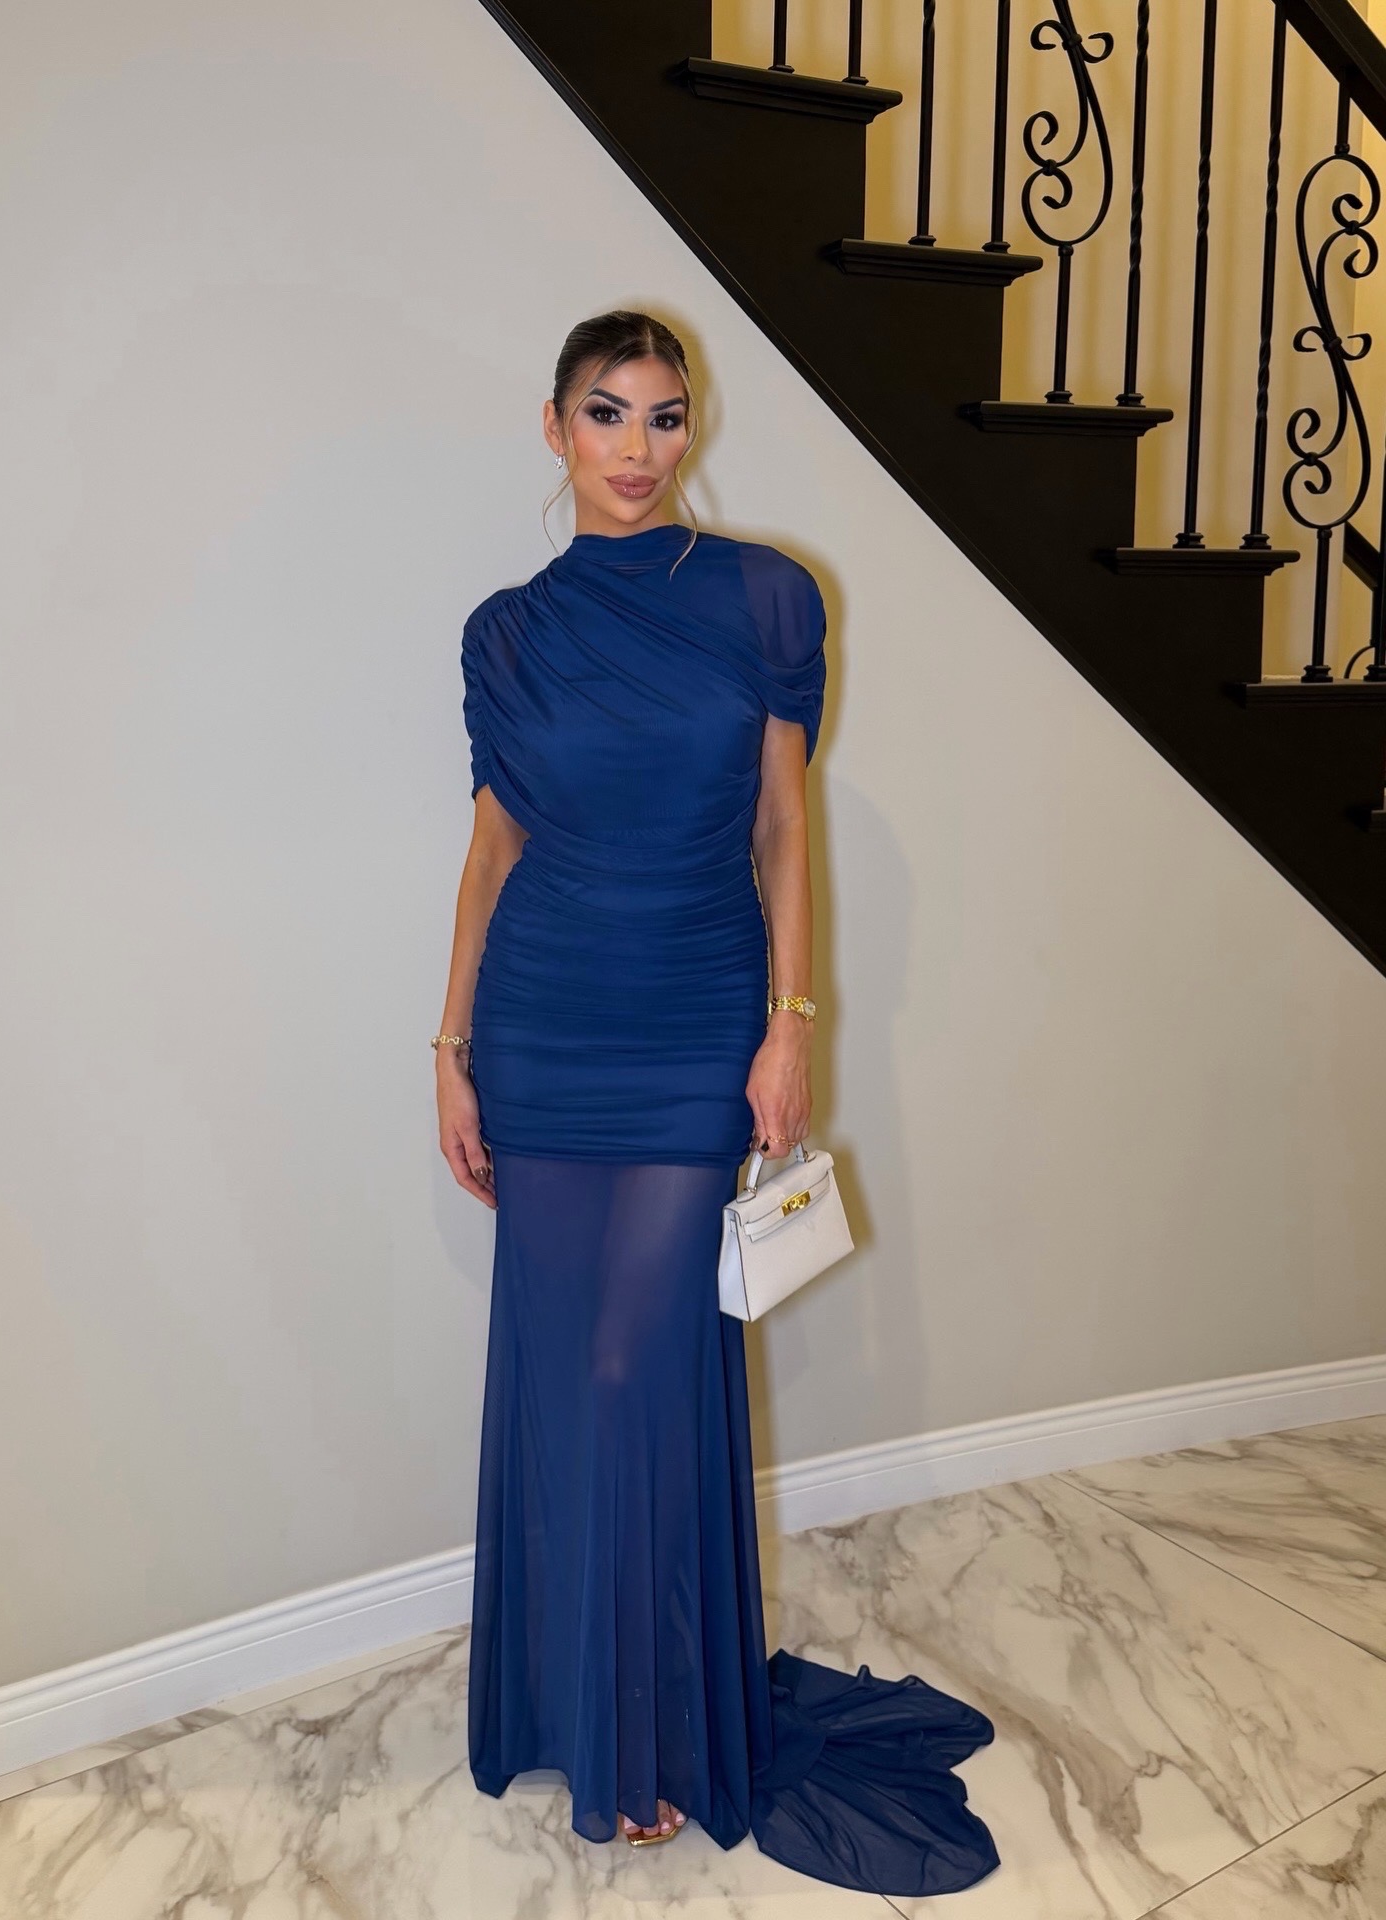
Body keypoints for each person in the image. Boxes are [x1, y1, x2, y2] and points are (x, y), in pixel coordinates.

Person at [435, 309, 999, 1895]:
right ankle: (586, 1710)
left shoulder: (764, 596)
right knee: (567, 1376)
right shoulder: (504, 634)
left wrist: (790, 1023)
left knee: (639, 1368)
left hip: (696, 1022)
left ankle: (651, 1726)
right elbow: (492, 850)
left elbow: (782, 829)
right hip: (544, 1027)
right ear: (554, 427)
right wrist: (451, 1044)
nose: (639, 447)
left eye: (666, 415)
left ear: (694, 429)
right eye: (607, 413)